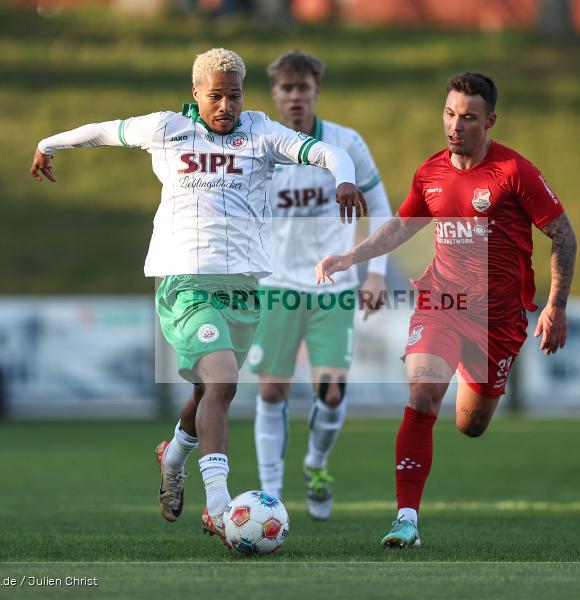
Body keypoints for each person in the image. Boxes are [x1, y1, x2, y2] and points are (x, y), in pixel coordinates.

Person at [30, 47, 367, 547]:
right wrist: (48, 143)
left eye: (233, 95)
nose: (226, 106)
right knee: (225, 383)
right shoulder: (167, 129)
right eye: (216, 96)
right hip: (185, 283)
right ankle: (218, 507)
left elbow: (328, 152)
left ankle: (173, 455)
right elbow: (107, 130)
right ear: (196, 94)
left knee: (209, 390)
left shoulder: (261, 132)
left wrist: (343, 178)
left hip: (245, 288)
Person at [315, 72, 578, 548]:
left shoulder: (514, 172)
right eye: (450, 113)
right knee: (422, 397)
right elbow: (402, 227)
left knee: (470, 425)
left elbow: (563, 235)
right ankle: (407, 520)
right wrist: (351, 258)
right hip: (441, 303)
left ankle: (475, 392)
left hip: (497, 319)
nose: (456, 125)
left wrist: (556, 306)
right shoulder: (430, 172)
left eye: (469, 117)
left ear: (490, 121)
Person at [247, 50, 392, 520]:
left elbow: (382, 209)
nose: (294, 97)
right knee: (272, 392)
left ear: (315, 92)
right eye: (286, 89)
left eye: (302, 88)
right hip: (276, 287)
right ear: (274, 94)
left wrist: (375, 272)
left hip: (332, 289)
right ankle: (270, 493)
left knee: (331, 393)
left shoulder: (346, 143)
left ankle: (316, 464)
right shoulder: (261, 145)